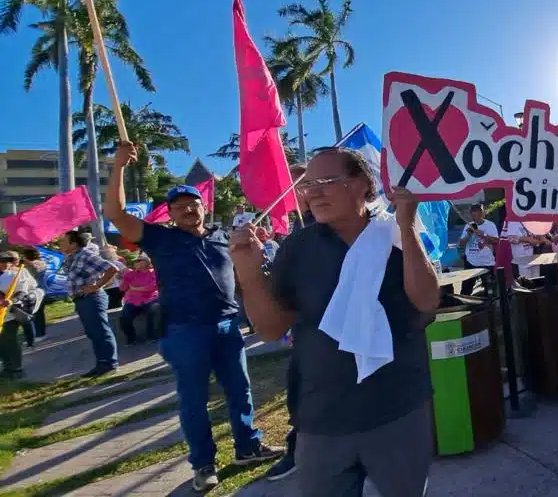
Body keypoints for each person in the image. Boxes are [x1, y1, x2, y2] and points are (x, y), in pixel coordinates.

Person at [231, 147, 439, 497]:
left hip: (397, 408)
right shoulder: (297, 248)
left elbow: (427, 300)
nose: (313, 192)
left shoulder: (393, 234)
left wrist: (406, 228)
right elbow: (271, 329)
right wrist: (248, 271)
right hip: (321, 417)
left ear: (361, 185)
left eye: (326, 181)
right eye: (307, 184)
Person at [104, 142, 282, 493]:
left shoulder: (222, 239)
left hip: (229, 327)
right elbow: (115, 212)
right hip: (186, 331)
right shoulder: (159, 239)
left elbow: (245, 277)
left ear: (204, 206)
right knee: (194, 400)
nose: (188, 210)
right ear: (169, 213)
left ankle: (248, 447)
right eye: (179, 207)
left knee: (240, 392)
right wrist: (119, 167)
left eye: (193, 204)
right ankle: (203, 463)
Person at [265, 163, 314, 483]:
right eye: (296, 185)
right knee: (299, 392)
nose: (302, 191)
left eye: (306, 183)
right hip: (307, 330)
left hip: (347, 331)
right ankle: (297, 450)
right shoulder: (297, 234)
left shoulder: (347, 226)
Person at [59, 229, 119, 377]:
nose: (60, 244)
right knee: (93, 332)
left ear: (74, 243)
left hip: (92, 298)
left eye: (63, 241)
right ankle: (101, 363)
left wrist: (96, 286)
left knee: (100, 331)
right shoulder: (72, 257)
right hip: (81, 299)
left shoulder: (86, 255)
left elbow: (112, 269)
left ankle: (109, 363)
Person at [0, 252, 43, 377]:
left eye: (5, 262)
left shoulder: (16, 274)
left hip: (10, 314)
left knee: (9, 340)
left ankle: (16, 369)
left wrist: (11, 301)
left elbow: (21, 292)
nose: (3, 264)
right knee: (2, 342)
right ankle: (7, 367)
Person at [458, 204, 498, 295]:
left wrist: (483, 235)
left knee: (490, 289)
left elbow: (496, 241)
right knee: (465, 290)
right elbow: (461, 244)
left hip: (486, 262)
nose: (476, 218)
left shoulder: (490, 225)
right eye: (474, 216)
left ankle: (491, 306)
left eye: (479, 215)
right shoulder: (468, 226)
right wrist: (468, 235)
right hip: (471, 262)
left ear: (483, 214)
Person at [119, 256, 160, 345]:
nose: (135, 262)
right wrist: (123, 278)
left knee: (152, 311)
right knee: (124, 317)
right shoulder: (130, 274)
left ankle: (151, 336)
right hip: (133, 300)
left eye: (138, 260)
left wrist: (134, 288)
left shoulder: (153, 272)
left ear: (146, 262)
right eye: (135, 261)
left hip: (150, 299)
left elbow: (152, 287)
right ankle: (131, 338)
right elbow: (123, 288)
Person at [20, 248, 49, 340]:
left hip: (37, 291)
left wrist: (24, 261)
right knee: (37, 313)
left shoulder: (36, 264)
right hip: (40, 290)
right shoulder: (41, 262)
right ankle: (38, 333)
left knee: (37, 314)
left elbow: (34, 268)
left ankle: (40, 334)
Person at [101, 246, 126, 311]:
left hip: (109, 288)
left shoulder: (101, 264)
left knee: (111, 307)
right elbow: (127, 273)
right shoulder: (117, 263)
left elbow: (127, 273)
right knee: (116, 306)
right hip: (115, 287)